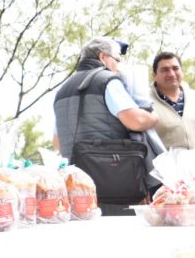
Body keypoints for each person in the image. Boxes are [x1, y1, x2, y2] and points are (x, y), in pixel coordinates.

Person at [54, 37, 159, 215]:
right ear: (103, 57)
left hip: (75, 186)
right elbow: (136, 121)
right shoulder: (107, 80)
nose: (118, 66)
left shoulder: (62, 90)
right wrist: (154, 117)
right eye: (117, 59)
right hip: (112, 183)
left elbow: (57, 142)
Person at [150, 52, 195, 149]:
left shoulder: (193, 96)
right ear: (154, 75)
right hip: (163, 162)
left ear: (182, 71)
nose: (171, 74)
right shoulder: (145, 101)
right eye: (164, 70)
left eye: (175, 68)